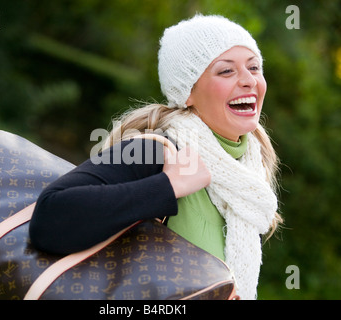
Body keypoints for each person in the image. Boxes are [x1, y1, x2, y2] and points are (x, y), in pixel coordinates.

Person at [29, 14, 282, 300]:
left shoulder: (249, 185)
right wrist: (168, 186)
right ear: (187, 93)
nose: (249, 81)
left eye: (254, 68)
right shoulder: (156, 152)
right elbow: (50, 218)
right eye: (226, 71)